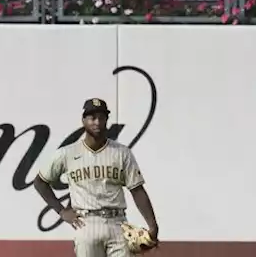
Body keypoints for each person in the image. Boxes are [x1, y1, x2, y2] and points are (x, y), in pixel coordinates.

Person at [32, 98, 160, 257]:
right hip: (86, 223)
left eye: (101, 117)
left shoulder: (121, 152)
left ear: (106, 120)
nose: (97, 122)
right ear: (83, 120)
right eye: (92, 117)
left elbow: (137, 190)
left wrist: (152, 225)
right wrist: (62, 211)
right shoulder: (67, 153)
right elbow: (40, 182)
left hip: (118, 223)